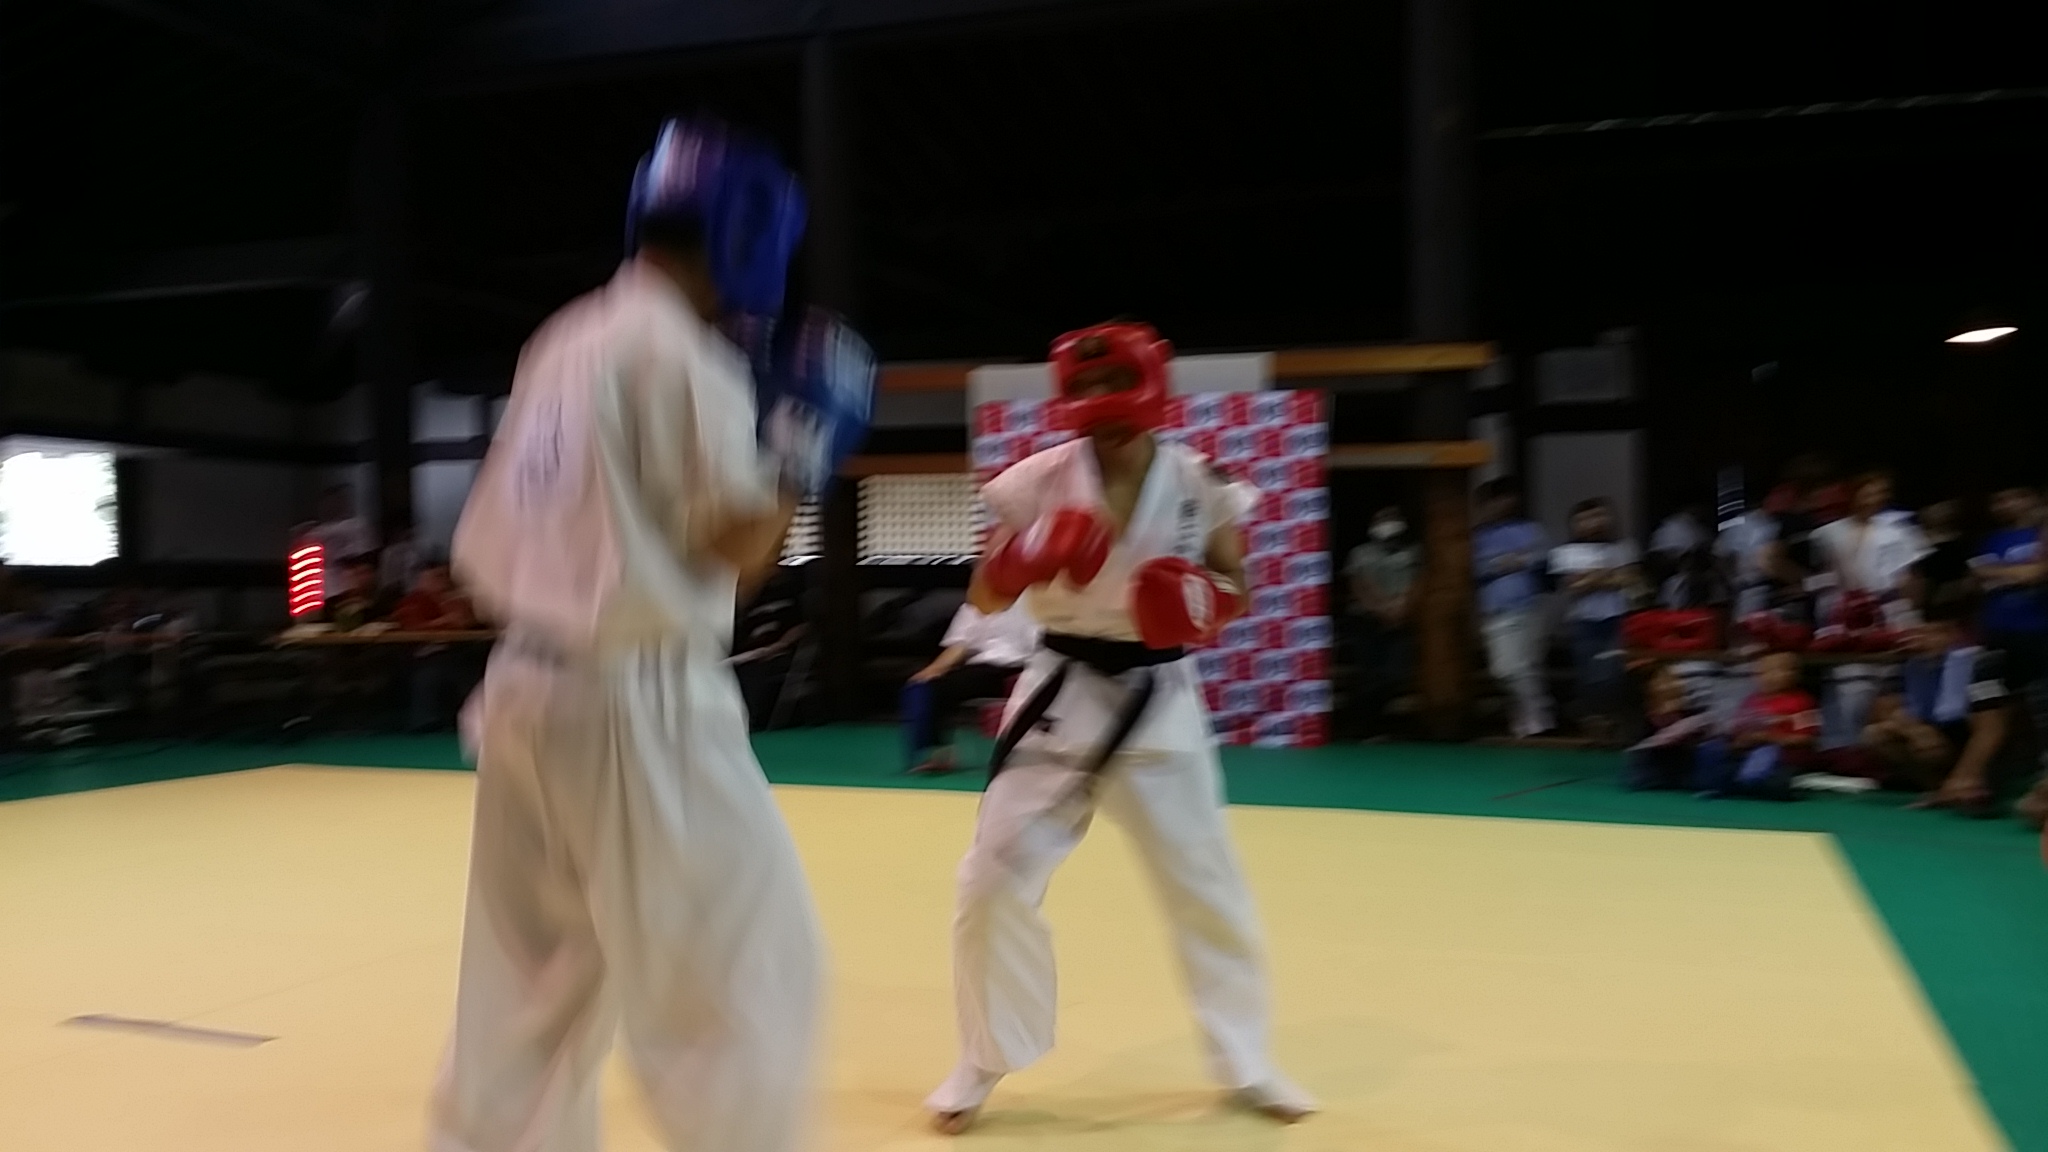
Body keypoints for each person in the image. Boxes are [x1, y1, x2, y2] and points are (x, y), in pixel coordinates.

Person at [434, 117, 875, 1152]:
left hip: (526, 693)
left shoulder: (564, 335)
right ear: (748, 238)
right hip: (639, 702)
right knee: (747, 980)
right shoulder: (683, 355)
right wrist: (802, 445)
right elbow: (736, 549)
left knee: (531, 996)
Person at [924, 320, 1313, 1134]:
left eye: (1113, 384)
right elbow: (986, 598)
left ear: (1150, 386)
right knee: (989, 881)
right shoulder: (1036, 480)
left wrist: (1203, 601)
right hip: (1059, 692)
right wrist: (1023, 557)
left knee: (1207, 887)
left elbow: (1236, 583)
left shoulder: (1201, 480)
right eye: (1086, 387)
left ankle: (1246, 1057)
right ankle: (982, 1057)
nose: (1100, 402)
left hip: (1160, 695)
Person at [1860, 590, 2010, 816]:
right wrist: (1915, 730)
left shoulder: (1980, 664)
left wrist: (1965, 775)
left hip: (1976, 741)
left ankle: (1969, 784)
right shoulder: (1908, 662)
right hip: (1936, 736)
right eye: (1918, 632)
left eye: (1932, 633)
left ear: (1953, 635)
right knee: (1877, 734)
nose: (1922, 640)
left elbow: (1991, 730)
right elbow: (1883, 711)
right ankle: (1937, 790)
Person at [903, 599, 1037, 773]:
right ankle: (938, 756)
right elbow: (959, 645)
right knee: (932, 688)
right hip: (984, 668)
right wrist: (933, 670)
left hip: (1027, 667)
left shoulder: (1038, 601)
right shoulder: (972, 607)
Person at [1551, 497, 1640, 741]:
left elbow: (1630, 579)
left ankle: (1615, 722)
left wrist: (1591, 578)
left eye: (1599, 516)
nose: (1594, 523)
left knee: (1615, 673)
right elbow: (1574, 587)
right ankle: (1595, 724)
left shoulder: (1624, 547)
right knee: (1589, 675)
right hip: (1584, 622)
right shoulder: (1566, 553)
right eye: (1586, 519)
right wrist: (1607, 575)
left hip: (1618, 619)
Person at [1472, 477, 1554, 738]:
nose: (1497, 505)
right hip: (1493, 609)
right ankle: (1527, 716)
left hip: (1528, 604)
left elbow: (1544, 559)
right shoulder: (1478, 537)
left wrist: (1516, 561)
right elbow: (1475, 569)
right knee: (1503, 670)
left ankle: (1536, 722)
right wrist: (1503, 563)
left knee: (1524, 666)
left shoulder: (1530, 529)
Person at [1696, 651, 1819, 801]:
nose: (1768, 677)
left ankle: (1758, 782)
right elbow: (1738, 730)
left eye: (1776, 670)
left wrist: (1769, 738)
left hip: (1782, 756)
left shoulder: (1803, 702)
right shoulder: (1752, 700)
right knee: (1712, 749)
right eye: (1762, 672)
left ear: (1793, 674)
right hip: (1747, 752)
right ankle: (1717, 786)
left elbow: (1808, 739)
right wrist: (1740, 741)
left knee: (1771, 776)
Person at [1343, 505, 1420, 736]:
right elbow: (1358, 584)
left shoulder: (1413, 552)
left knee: (1395, 673)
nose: (1388, 523)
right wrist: (1380, 608)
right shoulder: (1360, 554)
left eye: (1392, 518)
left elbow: (1418, 582)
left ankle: (1372, 721)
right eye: (1382, 519)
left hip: (1402, 619)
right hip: (1366, 620)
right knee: (1369, 673)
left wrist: (1401, 608)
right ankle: (1364, 725)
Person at [392, 562, 483, 730]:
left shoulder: (458, 600)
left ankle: (477, 720)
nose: (440, 581)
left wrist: (450, 617)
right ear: (421, 580)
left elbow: (467, 622)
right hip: (423, 654)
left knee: (473, 673)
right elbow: (413, 627)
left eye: (443, 576)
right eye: (434, 577)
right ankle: (424, 722)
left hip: (460, 651)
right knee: (429, 675)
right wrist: (446, 621)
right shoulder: (411, 602)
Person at [730, 567, 809, 731]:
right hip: (749, 653)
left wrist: (780, 645)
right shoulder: (751, 603)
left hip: (776, 652)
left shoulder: (789, 595)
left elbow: (801, 628)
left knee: (751, 674)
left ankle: (750, 722)